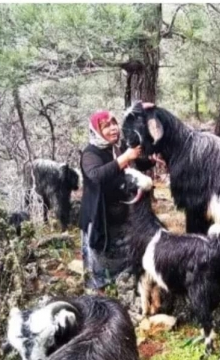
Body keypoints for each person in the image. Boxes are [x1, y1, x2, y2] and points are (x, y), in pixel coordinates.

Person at [79, 102, 156, 291]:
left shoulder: (117, 147)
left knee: (124, 255)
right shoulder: (91, 153)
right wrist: (125, 158)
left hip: (120, 213)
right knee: (101, 259)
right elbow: (97, 176)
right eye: (106, 126)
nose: (113, 128)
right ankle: (100, 295)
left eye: (114, 123)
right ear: (97, 131)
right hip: (100, 216)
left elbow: (139, 161)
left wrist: (152, 158)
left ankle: (122, 288)